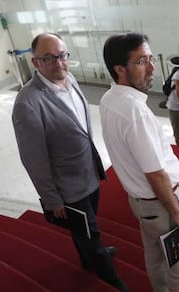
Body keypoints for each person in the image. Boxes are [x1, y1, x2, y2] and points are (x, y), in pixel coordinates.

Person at [11, 33, 128, 291]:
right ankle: (111, 278)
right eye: (49, 58)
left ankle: (88, 257)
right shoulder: (28, 102)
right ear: (36, 62)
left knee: (86, 228)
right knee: (91, 232)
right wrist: (52, 199)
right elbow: (33, 158)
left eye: (63, 55)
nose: (59, 63)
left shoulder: (69, 79)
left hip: (88, 173)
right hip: (67, 187)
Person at [100, 33, 179, 291]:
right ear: (119, 69)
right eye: (142, 61)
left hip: (142, 204)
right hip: (163, 201)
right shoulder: (135, 112)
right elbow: (155, 173)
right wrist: (177, 212)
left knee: (156, 257)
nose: (152, 67)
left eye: (150, 58)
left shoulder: (109, 99)